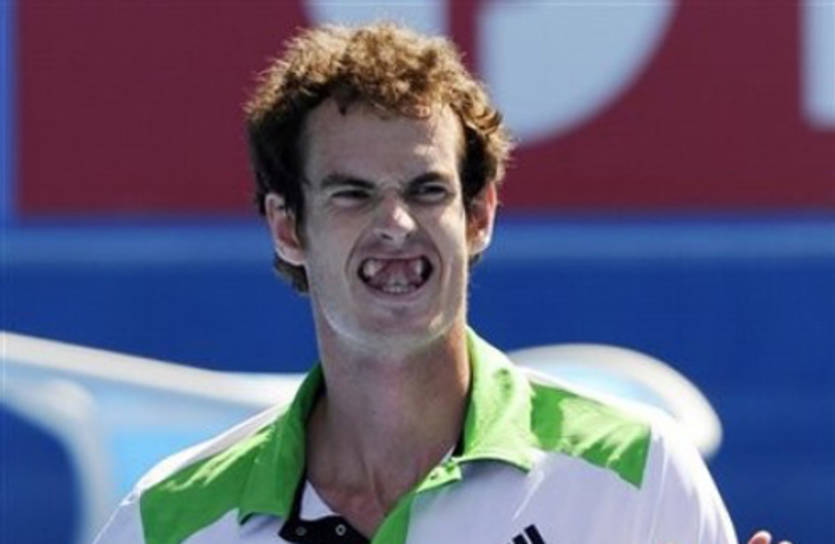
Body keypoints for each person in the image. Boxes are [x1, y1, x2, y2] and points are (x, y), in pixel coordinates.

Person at [93, 23, 787, 544]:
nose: (396, 224)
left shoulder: (635, 474)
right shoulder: (165, 522)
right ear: (288, 228)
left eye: (427, 190)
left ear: (478, 216)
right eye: (352, 194)